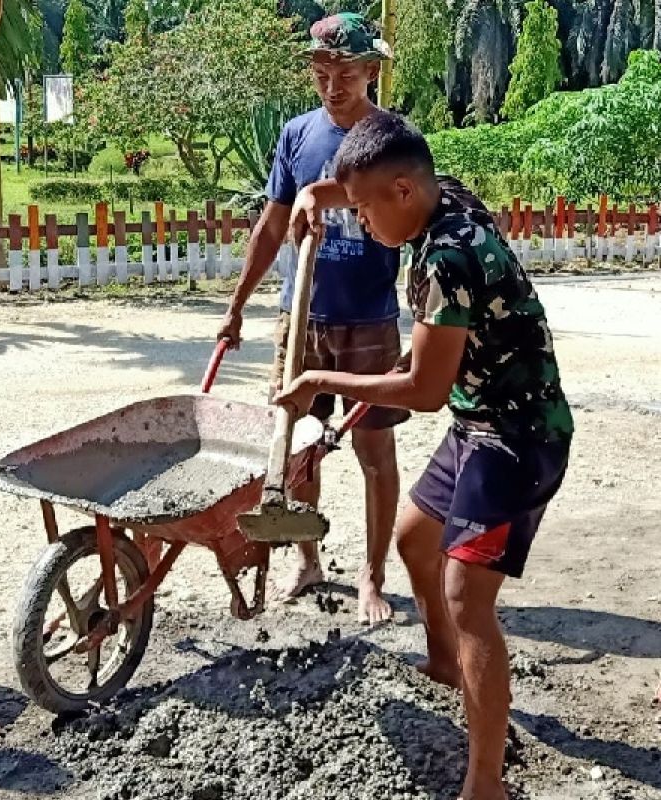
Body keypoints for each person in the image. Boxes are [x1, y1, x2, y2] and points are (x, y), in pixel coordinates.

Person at [277, 111, 574, 800]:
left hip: (518, 437)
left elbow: (423, 389)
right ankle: (447, 666)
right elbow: (370, 184)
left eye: (364, 211)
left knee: (468, 597)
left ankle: (484, 783)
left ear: (405, 192)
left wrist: (321, 381)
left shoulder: (447, 256)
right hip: (480, 422)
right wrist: (316, 198)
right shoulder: (449, 197)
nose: (362, 224)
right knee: (416, 541)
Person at [217, 12, 405, 625]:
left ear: (371, 71)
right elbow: (272, 226)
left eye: (345, 73)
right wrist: (237, 305)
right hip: (303, 323)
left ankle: (373, 578)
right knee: (296, 451)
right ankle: (309, 560)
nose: (332, 86)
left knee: (375, 455)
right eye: (322, 74)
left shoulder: (395, 139)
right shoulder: (297, 137)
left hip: (369, 324)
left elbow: (418, 223)